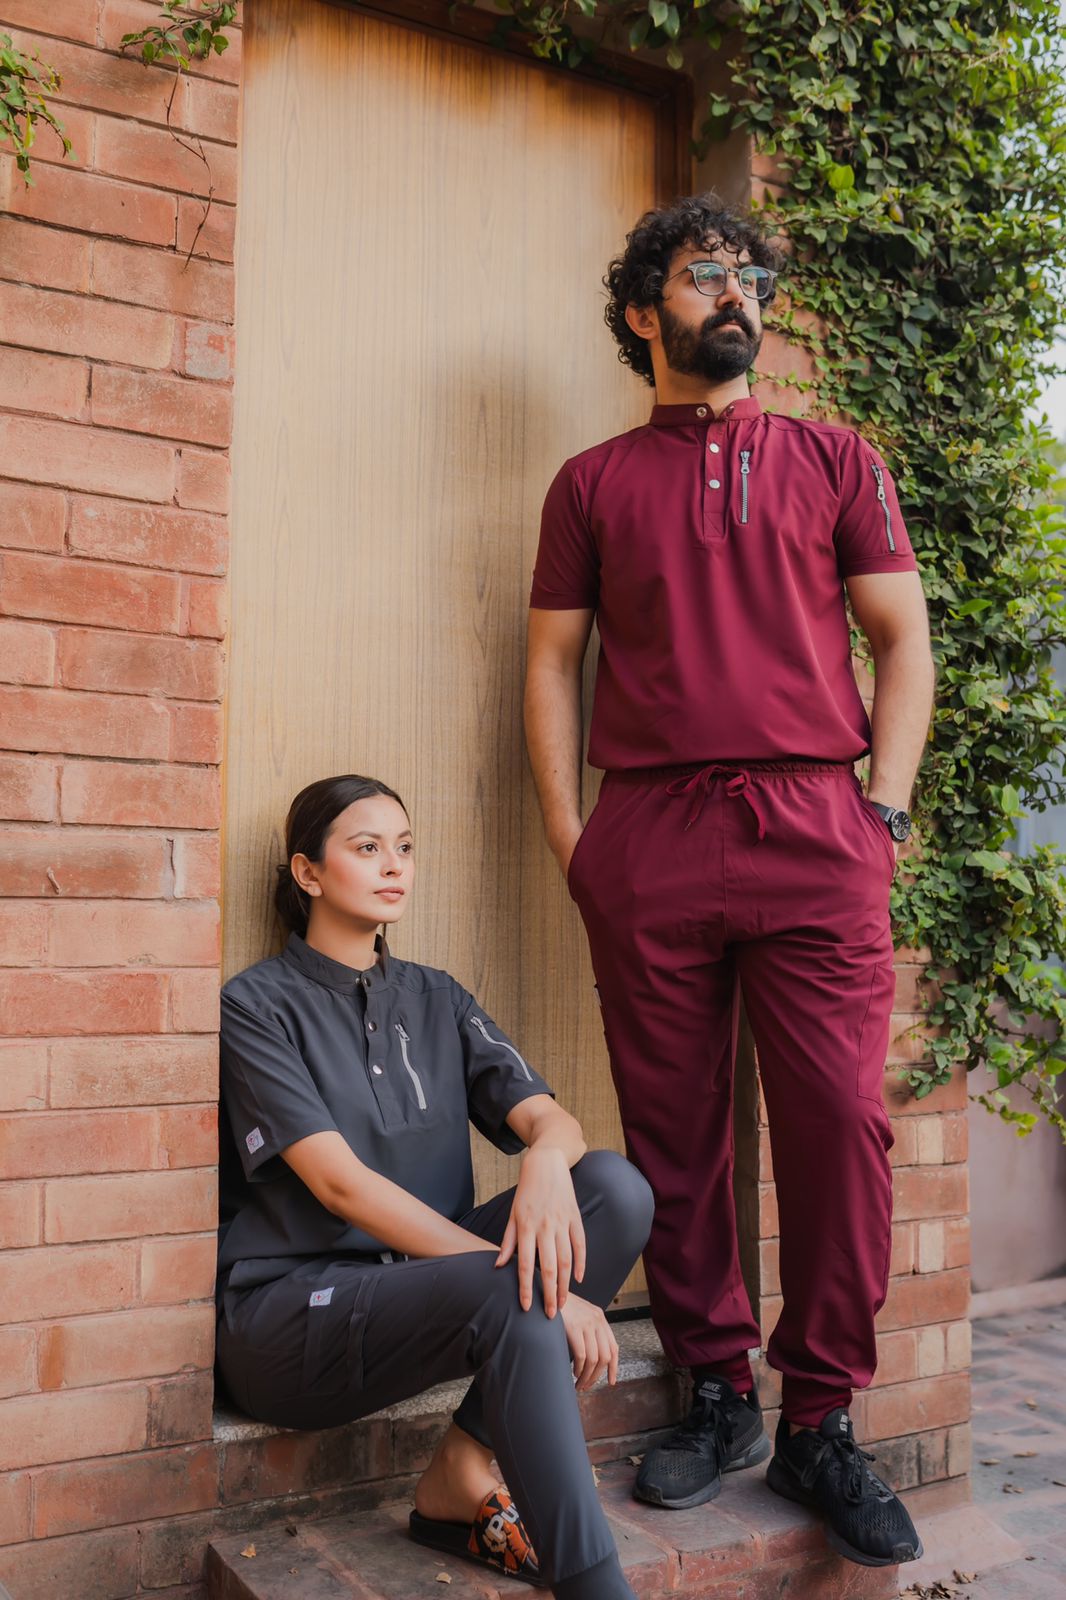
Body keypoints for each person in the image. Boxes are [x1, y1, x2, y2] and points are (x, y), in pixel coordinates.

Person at [523, 194, 935, 1569]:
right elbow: (550, 665)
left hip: (816, 824)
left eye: (751, 275)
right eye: (706, 274)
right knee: (674, 1132)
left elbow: (901, 641)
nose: (736, 293)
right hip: (649, 831)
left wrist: (881, 807)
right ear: (644, 309)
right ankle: (716, 1390)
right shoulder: (589, 484)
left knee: (839, 1124)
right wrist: (577, 840)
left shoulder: (835, 458)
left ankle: (821, 1416)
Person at [215, 773, 654, 1599]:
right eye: (367, 847)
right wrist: (543, 1292)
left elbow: (552, 1120)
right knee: (513, 1290)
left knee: (613, 1190)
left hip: (426, 1287)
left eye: (406, 848)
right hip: (292, 1314)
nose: (395, 866)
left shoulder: (436, 996)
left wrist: (544, 1163)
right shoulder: (256, 1005)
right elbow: (340, 1188)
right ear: (308, 873)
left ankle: (460, 1465)